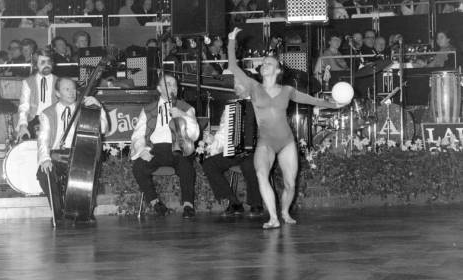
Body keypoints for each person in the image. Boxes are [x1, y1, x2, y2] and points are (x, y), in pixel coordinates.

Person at [227, 27, 343, 229]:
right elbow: (233, 66)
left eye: (269, 63)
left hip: (287, 142)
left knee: (290, 184)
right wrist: (231, 41)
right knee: (262, 174)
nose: (264, 65)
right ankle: (272, 217)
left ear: (278, 69)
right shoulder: (254, 87)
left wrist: (334, 105)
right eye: (263, 63)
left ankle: (284, 211)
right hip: (265, 142)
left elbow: (310, 99)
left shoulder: (287, 90)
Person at [37, 77, 108, 223]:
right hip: (57, 156)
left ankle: (84, 210)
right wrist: (45, 159)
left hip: (80, 155)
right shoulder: (47, 113)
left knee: (88, 171)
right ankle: (58, 214)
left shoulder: (85, 109)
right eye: (66, 89)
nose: (72, 92)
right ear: (57, 93)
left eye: (73, 89)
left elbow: (105, 128)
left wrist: (98, 108)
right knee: (44, 173)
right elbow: (43, 140)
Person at [131, 73, 199, 218]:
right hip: (155, 149)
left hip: (177, 148)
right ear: (159, 89)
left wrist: (183, 116)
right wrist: (142, 149)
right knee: (138, 166)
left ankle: (188, 205)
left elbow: (194, 134)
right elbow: (138, 134)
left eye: (174, 84)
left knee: (187, 167)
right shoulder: (148, 109)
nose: (172, 87)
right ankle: (156, 203)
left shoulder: (186, 108)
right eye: (168, 84)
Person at [202, 82, 263, 217]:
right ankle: (233, 202)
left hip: (258, 151)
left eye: (239, 85)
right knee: (209, 164)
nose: (236, 88)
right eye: (236, 86)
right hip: (235, 151)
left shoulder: (262, 104)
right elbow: (223, 134)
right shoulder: (231, 109)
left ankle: (256, 204)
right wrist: (213, 141)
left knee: (249, 165)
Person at [16, 48, 58, 140]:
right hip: (34, 118)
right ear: (35, 65)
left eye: (49, 62)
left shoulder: (59, 81)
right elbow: (24, 106)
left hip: (54, 119)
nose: (47, 65)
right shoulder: (28, 82)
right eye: (42, 62)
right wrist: (23, 125)